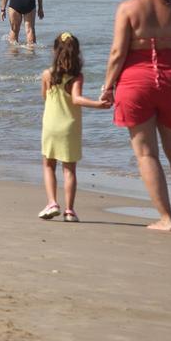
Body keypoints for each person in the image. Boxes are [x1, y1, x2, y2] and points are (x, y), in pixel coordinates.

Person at [100, 0, 171, 232]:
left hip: (136, 83)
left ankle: (166, 219)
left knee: (146, 154)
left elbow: (118, 52)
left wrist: (107, 86)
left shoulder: (128, 8)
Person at [38, 32, 109, 221]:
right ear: (76, 53)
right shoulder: (77, 77)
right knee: (69, 169)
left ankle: (52, 202)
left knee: (48, 165)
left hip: (51, 125)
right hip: (69, 127)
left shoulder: (47, 74)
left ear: (55, 51)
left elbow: (44, 97)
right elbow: (76, 99)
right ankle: (69, 210)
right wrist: (98, 104)